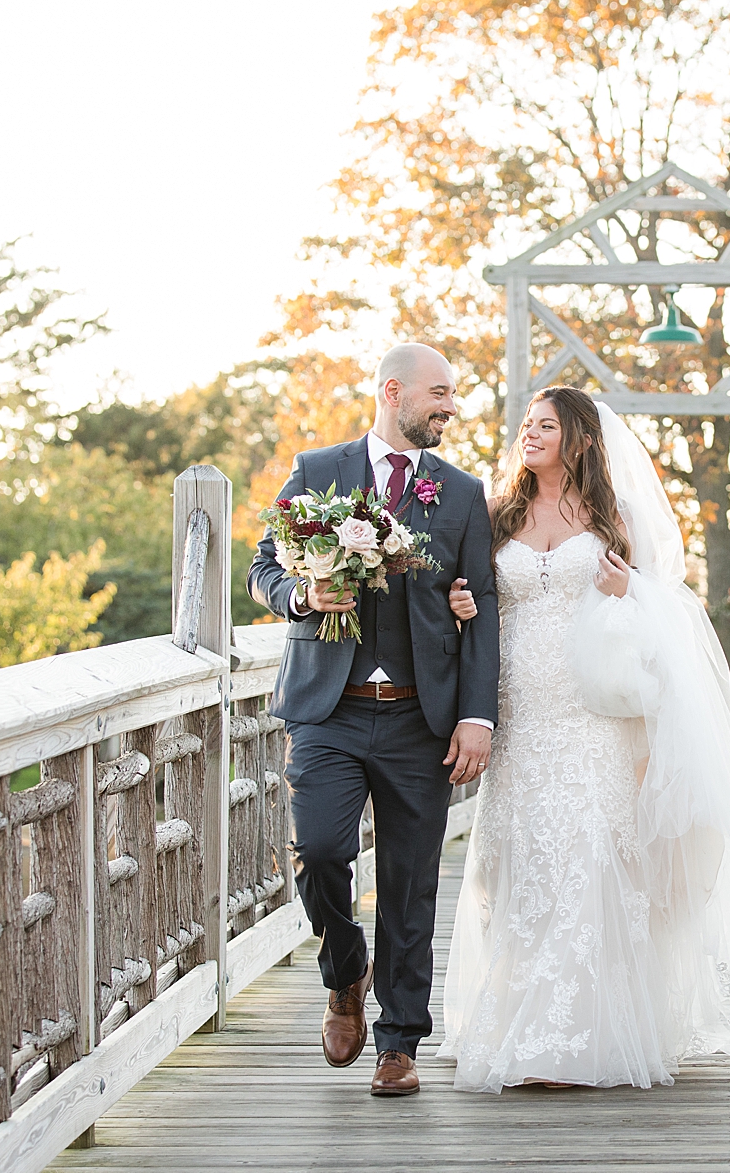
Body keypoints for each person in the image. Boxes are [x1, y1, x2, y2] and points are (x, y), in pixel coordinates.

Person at [439, 385, 730, 1092]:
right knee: (519, 861)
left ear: (577, 438)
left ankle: (577, 1035)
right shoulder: (496, 514)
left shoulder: (616, 517)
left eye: (545, 426)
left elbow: (665, 615)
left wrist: (623, 594)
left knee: (588, 855)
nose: (530, 436)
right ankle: (523, 1017)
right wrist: (461, 602)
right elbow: (472, 599)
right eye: (526, 426)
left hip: (594, 716)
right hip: (519, 713)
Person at [247, 342, 499, 1097]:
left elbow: (482, 607)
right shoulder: (316, 471)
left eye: (453, 395)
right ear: (394, 392)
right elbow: (264, 565)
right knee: (321, 851)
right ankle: (345, 970)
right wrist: (299, 596)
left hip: (423, 717)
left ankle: (398, 1041)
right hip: (328, 709)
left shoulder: (461, 492)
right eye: (440, 393)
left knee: (410, 880)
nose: (451, 406)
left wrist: (478, 717)